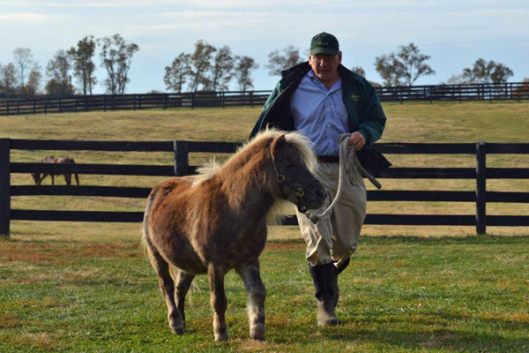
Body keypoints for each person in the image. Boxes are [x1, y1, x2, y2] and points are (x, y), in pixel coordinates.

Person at [250, 32, 388, 325]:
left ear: (339, 57)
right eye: (318, 57)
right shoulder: (291, 85)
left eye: (329, 57)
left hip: (347, 167)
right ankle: (326, 303)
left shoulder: (358, 87)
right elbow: (267, 121)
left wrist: (364, 134)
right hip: (306, 172)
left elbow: (376, 120)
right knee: (316, 237)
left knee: (347, 244)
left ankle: (330, 277)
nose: (323, 63)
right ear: (309, 58)